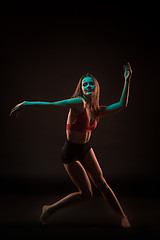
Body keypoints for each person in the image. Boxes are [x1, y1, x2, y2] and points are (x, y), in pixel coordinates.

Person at [10, 63, 132, 227]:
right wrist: (26, 104)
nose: (88, 86)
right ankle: (49, 209)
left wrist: (127, 80)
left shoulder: (96, 110)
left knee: (102, 184)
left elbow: (122, 105)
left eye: (91, 84)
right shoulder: (78, 103)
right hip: (70, 152)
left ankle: (123, 217)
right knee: (86, 193)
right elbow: (54, 105)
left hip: (85, 149)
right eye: (85, 84)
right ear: (81, 88)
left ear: (96, 88)